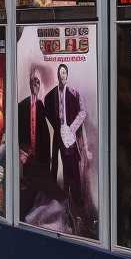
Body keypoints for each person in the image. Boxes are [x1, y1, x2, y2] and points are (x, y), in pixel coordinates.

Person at [44, 63, 89, 207]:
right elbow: (48, 111)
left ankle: (76, 198)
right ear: (57, 75)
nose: (62, 75)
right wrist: (58, 127)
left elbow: (83, 112)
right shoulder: (51, 95)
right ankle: (60, 196)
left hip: (70, 136)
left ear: (67, 75)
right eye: (60, 72)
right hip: (59, 136)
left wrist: (72, 128)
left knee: (72, 166)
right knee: (58, 165)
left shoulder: (74, 94)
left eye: (64, 73)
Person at [18, 67, 52, 216]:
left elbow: (45, 134)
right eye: (33, 81)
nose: (35, 85)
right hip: (26, 156)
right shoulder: (22, 106)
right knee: (27, 186)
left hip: (38, 157)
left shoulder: (40, 105)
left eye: (37, 82)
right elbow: (19, 131)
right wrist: (22, 149)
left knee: (38, 185)